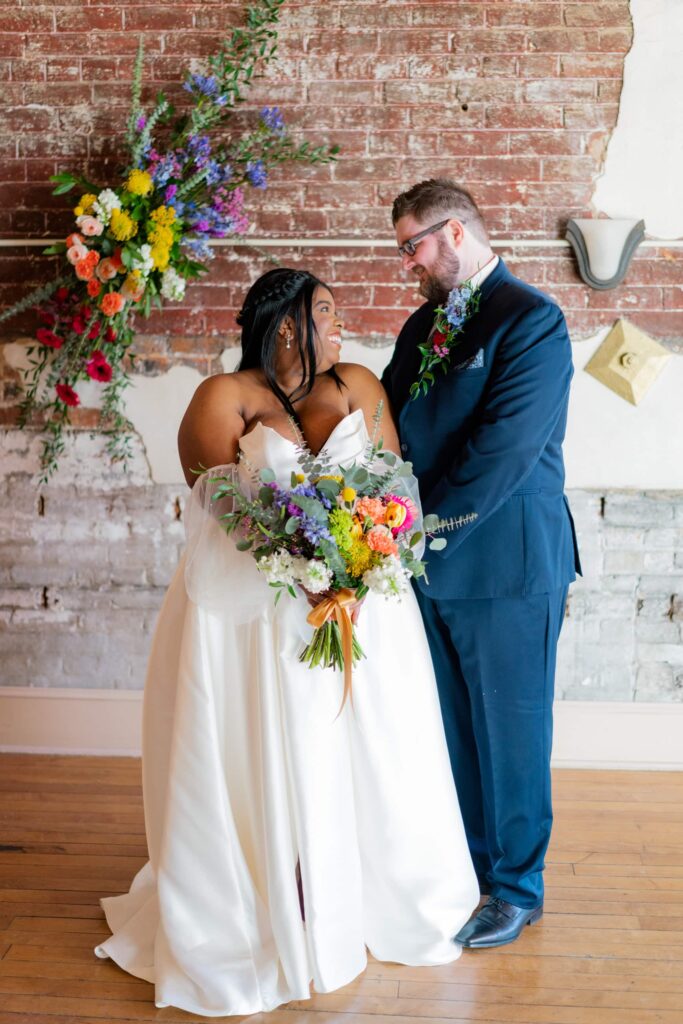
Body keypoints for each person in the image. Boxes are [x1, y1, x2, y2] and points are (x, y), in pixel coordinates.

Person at [94, 267, 479, 1016]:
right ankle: (264, 905)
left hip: (361, 606)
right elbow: (214, 505)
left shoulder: (359, 384)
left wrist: (358, 563)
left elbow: (395, 491)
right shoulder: (224, 397)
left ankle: (364, 898)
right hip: (248, 617)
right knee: (266, 752)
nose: (340, 325)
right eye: (326, 312)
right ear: (282, 326)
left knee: (368, 751)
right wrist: (297, 563)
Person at [382, 179, 581, 950]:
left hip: (505, 565)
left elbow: (498, 454)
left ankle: (515, 889)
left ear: (455, 232)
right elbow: (392, 430)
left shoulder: (532, 321)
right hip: (427, 567)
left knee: (512, 732)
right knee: (453, 731)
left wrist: (418, 535)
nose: (409, 263)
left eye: (414, 245)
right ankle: (465, 871)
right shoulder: (421, 326)